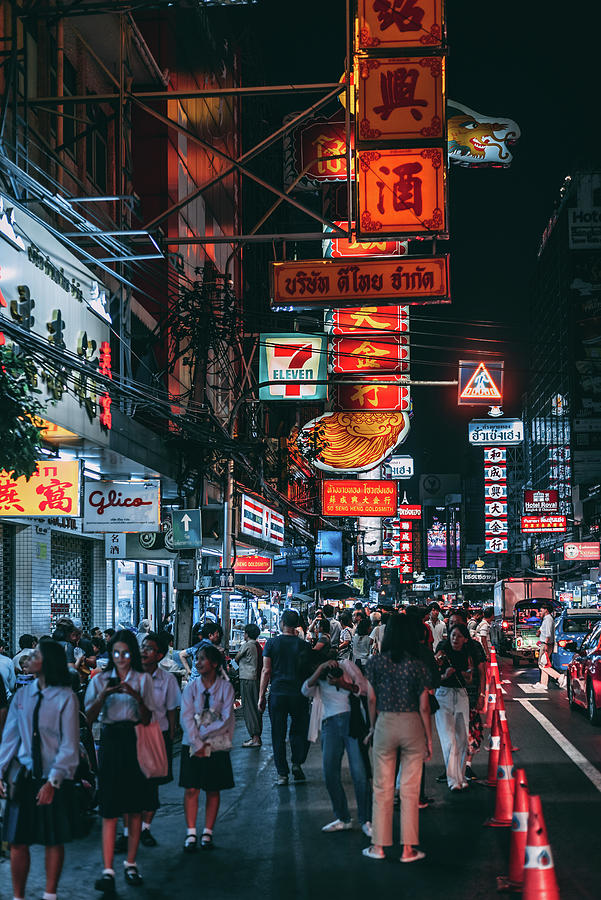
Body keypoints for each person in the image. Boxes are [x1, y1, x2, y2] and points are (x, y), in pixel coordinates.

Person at [0, 639, 80, 900]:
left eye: (36, 654)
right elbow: (10, 738)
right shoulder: (23, 695)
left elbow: (69, 745)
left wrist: (52, 782)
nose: (29, 657)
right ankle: (18, 896)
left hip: (53, 776)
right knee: (17, 840)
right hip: (24, 775)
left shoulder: (66, 697)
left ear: (47, 662)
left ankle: (50, 894)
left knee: (52, 839)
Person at [85, 629, 155, 893]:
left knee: (134, 807)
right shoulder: (99, 679)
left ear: (132, 654)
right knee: (110, 808)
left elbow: (148, 718)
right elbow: (88, 718)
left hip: (134, 739)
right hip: (110, 741)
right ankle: (107, 870)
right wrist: (104, 695)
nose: (121, 658)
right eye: (116, 653)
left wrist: (135, 696)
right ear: (110, 654)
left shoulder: (142, 679)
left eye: (126, 653)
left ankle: (131, 863)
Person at [363, 615, 432, 863]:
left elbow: (371, 699)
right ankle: (408, 850)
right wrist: (428, 738)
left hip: (385, 723)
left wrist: (372, 727)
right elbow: (424, 706)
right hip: (412, 722)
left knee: (382, 788)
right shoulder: (417, 665)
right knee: (410, 791)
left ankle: (379, 847)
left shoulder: (375, 663)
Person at [113, 632, 180, 851]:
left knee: (151, 786)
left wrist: (169, 737)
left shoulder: (167, 680)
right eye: (142, 647)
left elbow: (171, 711)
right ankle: (126, 832)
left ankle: (144, 829)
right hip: (130, 735)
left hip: (156, 736)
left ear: (160, 655)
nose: (144, 651)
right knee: (126, 784)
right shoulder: (128, 676)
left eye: (149, 648)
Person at [302, 657, 372, 835]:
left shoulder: (347, 667)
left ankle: (367, 820)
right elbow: (305, 690)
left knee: (360, 774)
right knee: (329, 773)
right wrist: (320, 669)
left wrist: (343, 682)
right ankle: (343, 817)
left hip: (351, 721)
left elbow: (363, 690)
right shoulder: (320, 675)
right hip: (330, 724)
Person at [179, 644, 235, 852]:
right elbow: (186, 718)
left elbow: (226, 717)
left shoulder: (226, 688)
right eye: (197, 659)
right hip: (192, 745)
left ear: (214, 663)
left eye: (202, 659)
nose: (198, 662)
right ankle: (191, 832)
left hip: (216, 745)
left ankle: (208, 833)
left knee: (213, 789)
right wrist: (198, 741)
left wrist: (201, 726)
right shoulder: (191, 688)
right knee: (191, 788)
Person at [258, 609, 310, 786]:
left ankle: (282, 774)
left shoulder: (272, 643)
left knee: (277, 733)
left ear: (282, 623)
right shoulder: (304, 646)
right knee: (299, 730)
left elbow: (266, 671)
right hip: (299, 694)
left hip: (278, 693)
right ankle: (296, 762)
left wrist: (261, 696)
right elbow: (308, 672)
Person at [434, 624, 475, 791]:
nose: (454, 638)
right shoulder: (442, 651)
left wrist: (464, 674)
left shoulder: (467, 654)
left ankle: (460, 776)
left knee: (462, 738)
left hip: (461, 695)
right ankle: (453, 780)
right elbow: (434, 674)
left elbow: (470, 678)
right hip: (443, 695)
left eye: (458, 636)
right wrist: (444, 675)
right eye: (452, 635)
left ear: (465, 639)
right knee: (448, 739)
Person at [446, 610, 486, 781]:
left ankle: (467, 765)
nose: (453, 626)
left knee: (471, 731)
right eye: (451, 623)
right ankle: (452, 768)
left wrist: (481, 694)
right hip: (448, 695)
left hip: (470, 694)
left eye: (457, 623)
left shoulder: (474, 646)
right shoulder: (445, 645)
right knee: (450, 733)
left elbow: (482, 671)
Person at [235, 623, 263, 748]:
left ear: (246, 634)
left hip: (247, 679)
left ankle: (255, 737)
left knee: (249, 708)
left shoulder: (247, 645)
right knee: (255, 707)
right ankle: (256, 736)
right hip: (255, 679)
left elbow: (236, 658)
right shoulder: (257, 645)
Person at [535, 603, 566, 691]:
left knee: (542, 664)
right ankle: (543, 683)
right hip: (545, 643)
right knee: (543, 664)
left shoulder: (548, 619)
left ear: (546, 610)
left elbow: (549, 634)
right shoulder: (546, 619)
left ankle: (560, 677)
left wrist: (546, 644)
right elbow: (542, 632)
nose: (540, 612)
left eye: (541, 610)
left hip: (546, 644)